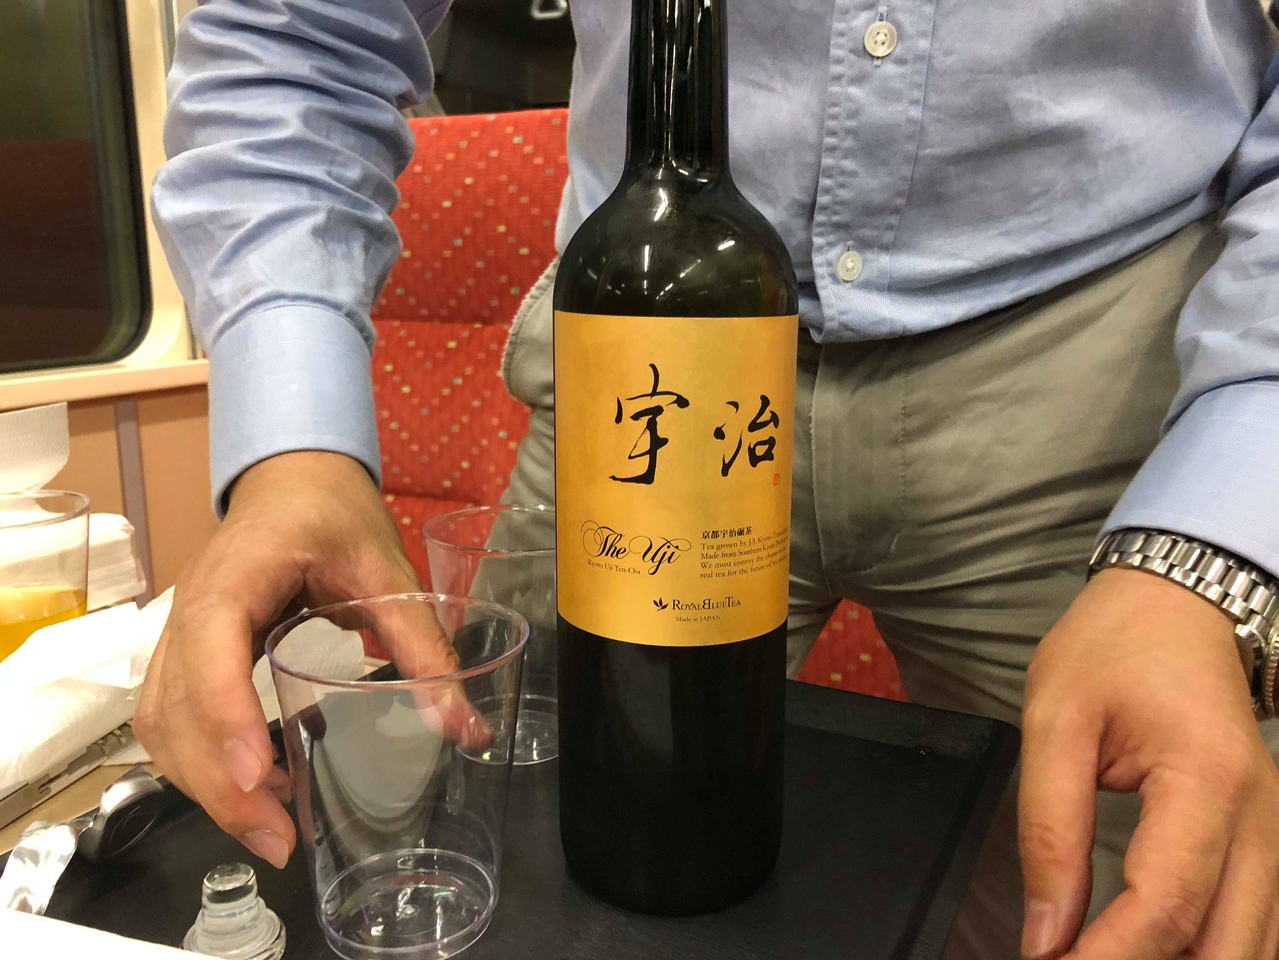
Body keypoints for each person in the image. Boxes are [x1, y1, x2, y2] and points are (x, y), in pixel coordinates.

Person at [136, 1, 1279, 957]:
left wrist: (1215, 536)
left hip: (1096, 350)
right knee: (507, 843)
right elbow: (297, 30)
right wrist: (291, 453)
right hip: (624, 350)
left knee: (1117, 895)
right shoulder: (623, 246)